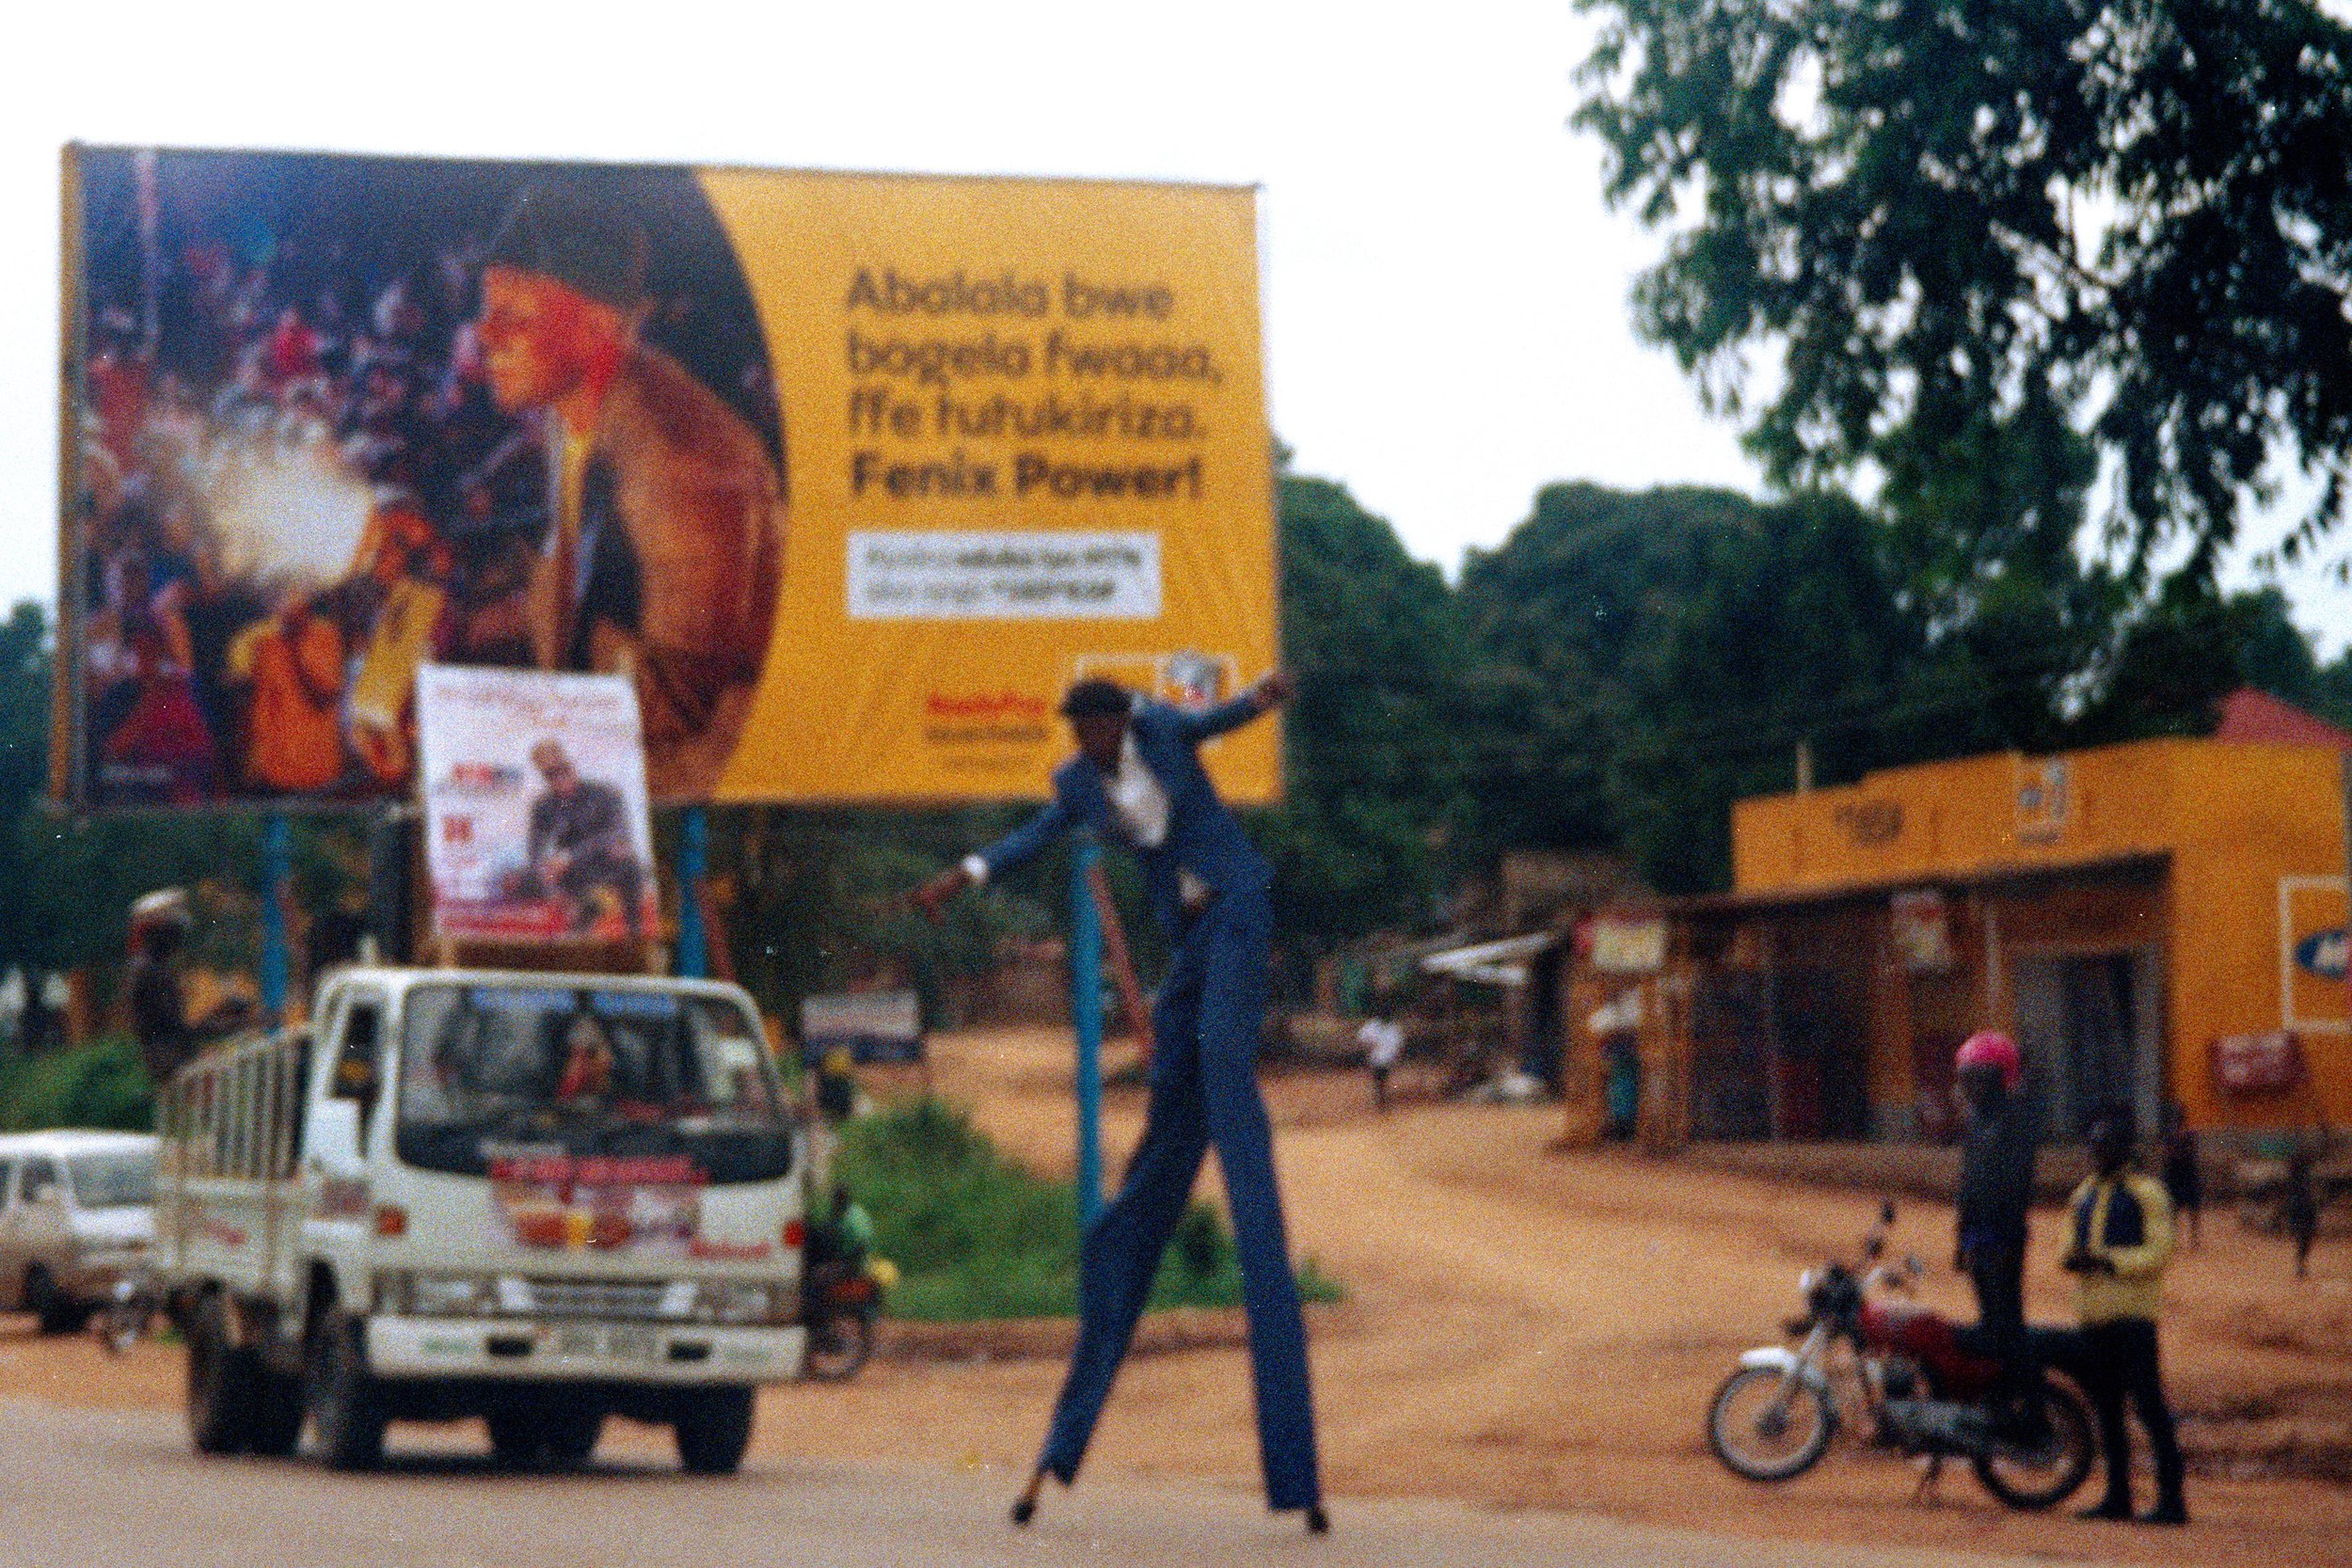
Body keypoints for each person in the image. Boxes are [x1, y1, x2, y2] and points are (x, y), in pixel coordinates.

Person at [911, 673, 1326, 1535]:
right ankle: (1063, 1440)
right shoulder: (1074, 784)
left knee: (1218, 1057)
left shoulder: (1165, 733)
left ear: (1119, 721)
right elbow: (1033, 836)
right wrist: (964, 874)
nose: (1091, 744)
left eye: (1099, 728)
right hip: (1189, 939)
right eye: (1081, 734)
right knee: (1171, 1091)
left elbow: (1217, 719)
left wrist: (1262, 699)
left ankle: (1295, 1471)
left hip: (1238, 908)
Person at [473, 183, 785, 800]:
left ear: (597, 326)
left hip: (697, 776)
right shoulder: (572, 415)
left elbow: (678, 702)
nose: (486, 334)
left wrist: (493, 714)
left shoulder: (679, 456)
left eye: (517, 315)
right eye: (486, 310)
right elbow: (573, 587)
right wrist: (469, 631)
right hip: (614, 762)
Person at [2063, 1103, 2188, 1526]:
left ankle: (2172, 1500)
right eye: (2093, 1145)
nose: (2096, 1153)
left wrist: (2106, 1262)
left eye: (2105, 1145)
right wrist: (2076, 1260)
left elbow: (2160, 1251)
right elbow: (2067, 1247)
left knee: (2149, 1407)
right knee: (2107, 1409)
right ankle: (2118, 1496)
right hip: (2093, 1317)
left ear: (2124, 1149)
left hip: (2134, 1317)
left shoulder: (2148, 1193)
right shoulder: (2082, 1195)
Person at [1951, 1030, 2037, 1417]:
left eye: (1977, 1077)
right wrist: (1961, 1241)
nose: (1969, 1086)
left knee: (2007, 1321)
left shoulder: (2015, 1120)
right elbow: (1968, 1185)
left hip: (2002, 1237)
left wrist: (2000, 1240)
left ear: (2002, 1077)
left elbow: (2014, 1187)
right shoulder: (1977, 1123)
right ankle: (2001, 1393)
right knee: (1990, 1319)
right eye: (1965, 1077)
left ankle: (2030, 1403)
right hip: (1978, 1236)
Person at [125, 888, 249, 1087]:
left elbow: (174, 1026)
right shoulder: (149, 971)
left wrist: (221, 1014)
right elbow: (173, 1029)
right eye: (173, 932)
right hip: (170, 1065)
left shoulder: (150, 968)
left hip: (169, 1061)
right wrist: (234, 1024)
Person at [525, 739, 647, 940]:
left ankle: (634, 933)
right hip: (573, 872)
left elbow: (616, 833)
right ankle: (579, 926)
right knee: (526, 880)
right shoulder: (544, 805)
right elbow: (535, 845)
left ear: (571, 769)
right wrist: (543, 870)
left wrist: (570, 855)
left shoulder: (604, 794)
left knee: (629, 864)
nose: (558, 779)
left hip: (604, 862)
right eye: (550, 775)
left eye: (562, 771)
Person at [2159, 1102, 2201, 1250]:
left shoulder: (2189, 1134)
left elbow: (2188, 1153)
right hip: (2175, 1174)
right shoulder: (2171, 1135)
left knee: (2192, 1209)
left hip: (2186, 1173)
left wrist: (2176, 1154)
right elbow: (2167, 1154)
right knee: (2174, 1210)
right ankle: (2177, 1240)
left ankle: (2194, 1240)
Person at [1358, 1005, 1404, 1113]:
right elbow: (1362, 1040)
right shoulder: (1373, 1025)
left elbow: (1398, 1044)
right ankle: (1381, 1100)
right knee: (1380, 1079)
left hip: (1387, 1058)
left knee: (1382, 1079)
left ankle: (1381, 1099)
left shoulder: (1393, 1027)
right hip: (1377, 1058)